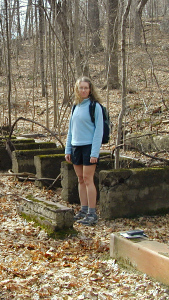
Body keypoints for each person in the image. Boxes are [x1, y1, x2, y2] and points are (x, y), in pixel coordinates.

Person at [64, 76, 104, 226]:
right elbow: (71, 131)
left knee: (88, 180)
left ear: (90, 89)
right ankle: (83, 209)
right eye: (81, 88)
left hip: (89, 147)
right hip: (76, 147)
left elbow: (98, 132)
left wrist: (94, 153)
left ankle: (92, 213)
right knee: (80, 179)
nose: (83, 90)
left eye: (86, 88)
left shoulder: (95, 107)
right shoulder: (76, 106)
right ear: (77, 89)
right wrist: (68, 149)